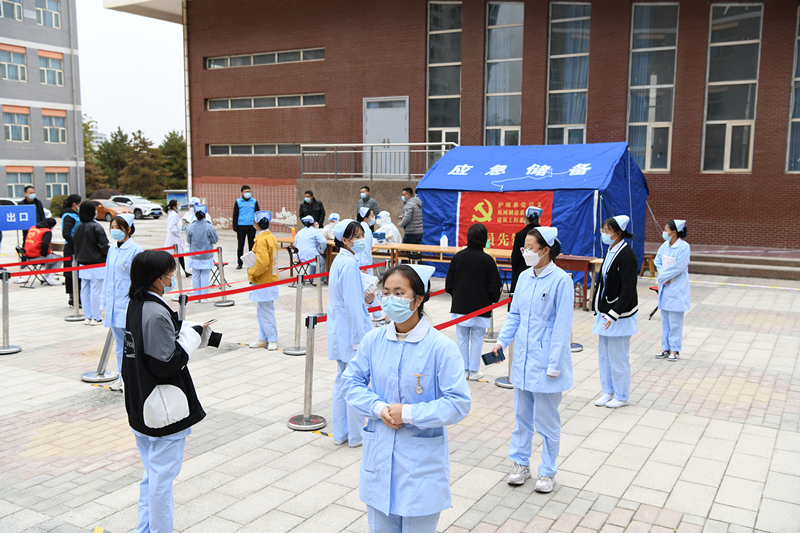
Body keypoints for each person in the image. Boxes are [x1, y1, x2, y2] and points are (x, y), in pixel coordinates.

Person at [342, 264, 471, 533]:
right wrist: (378, 408)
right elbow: (351, 383)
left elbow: (458, 403)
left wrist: (409, 413)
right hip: (379, 457)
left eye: (399, 293)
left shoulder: (441, 348)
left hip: (421, 466)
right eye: (386, 292)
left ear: (419, 299)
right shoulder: (373, 341)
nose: (390, 299)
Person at [122, 250, 217, 533]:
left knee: (152, 476)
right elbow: (168, 363)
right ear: (156, 278)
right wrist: (191, 337)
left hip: (140, 402)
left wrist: (189, 330)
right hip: (162, 409)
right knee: (162, 480)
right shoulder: (154, 312)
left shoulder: (137, 303)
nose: (172, 276)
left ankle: (145, 528)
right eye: (169, 272)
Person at [492, 226, 573, 493]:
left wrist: (555, 364)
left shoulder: (560, 280)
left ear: (545, 250)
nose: (524, 251)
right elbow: (515, 314)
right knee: (522, 417)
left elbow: (562, 325)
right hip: (523, 360)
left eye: (529, 247)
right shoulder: (524, 277)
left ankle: (547, 471)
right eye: (523, 247)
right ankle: (520, 464)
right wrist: (502, 341)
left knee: (547, 421)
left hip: (547, 361)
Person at [328, 219, 374, 447]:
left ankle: (341, 433)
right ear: (344, 241)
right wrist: (359, 338)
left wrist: (365, 298)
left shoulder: (342, 261)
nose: (361, 240)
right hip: (349, 332)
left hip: (341, 329)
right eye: (356, 237)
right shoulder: (348, 264)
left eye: (362, 235)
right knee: (355, 384)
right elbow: (353, 306)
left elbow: (352, 298)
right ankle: (356, 435)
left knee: (342, 383)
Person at [592, 215, 638, 409]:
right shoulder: (611, 250)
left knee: (618, 357)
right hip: (605, 312)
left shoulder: (627, 255)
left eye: (607, 231)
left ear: (618, 233)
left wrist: (614, 313)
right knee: (604, 356)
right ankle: (608, 391)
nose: (604, 233)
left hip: (619, 315)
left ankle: (622, 395)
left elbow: (628, 289)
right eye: (603, 230)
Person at [446, 223, 502, 381]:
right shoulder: (488, 260)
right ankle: (474, 370)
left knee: (462, 339)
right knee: (477, 339)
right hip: (481, 308)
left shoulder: (458, 257)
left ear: (468, 237)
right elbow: (495, 286)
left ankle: (463, 369)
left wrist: (458, 295)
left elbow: (449, 284)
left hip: (460, 307)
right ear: (485, 239)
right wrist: (491, 299)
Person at [103, 213, 143, 391]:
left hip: (128, 304)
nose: (114, 231)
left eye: (118, 228)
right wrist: (104, 304)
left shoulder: (136, 250)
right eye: (112, 228)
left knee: (131, 345)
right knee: (119, 346)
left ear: (128, 229)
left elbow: (139, 280)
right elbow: (107, 277)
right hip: (113, 305)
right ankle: (122, 377)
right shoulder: (112, 249)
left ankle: (133, 380)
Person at [655, 219, 690, 362]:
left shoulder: (684, 247)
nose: (664, 232)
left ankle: (675, 349)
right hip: (665, 287)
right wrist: (663, 276)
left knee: (675, 321)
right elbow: (657, 261)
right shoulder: (664, 245)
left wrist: (665, 276)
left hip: (677, 287)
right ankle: (665, 347)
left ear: (674, 232)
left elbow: (679, 266)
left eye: (666, 229)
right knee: (665, 320)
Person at [248, 211, 280, 350]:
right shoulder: (271, 237)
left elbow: (262, 262)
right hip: (270, 279)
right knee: (263, 311)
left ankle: (272, 338)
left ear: (256, 223)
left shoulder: (261, 240)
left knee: (266, 312)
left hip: (263, 281)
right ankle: (263, 337)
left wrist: (252, 272)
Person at [73, 201, 109, 326]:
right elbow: (103, 246)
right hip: (97, 263)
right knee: (96, 291)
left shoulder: (79, 227)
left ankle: (87, 316)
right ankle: (96, 317)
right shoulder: (96, 227)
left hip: (83, 262)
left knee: (85, 290)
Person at [186, 206, 219, 301]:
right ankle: (204, 297)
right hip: (206, 255)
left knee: (195, 275)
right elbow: (215, 240)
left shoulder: (191, 226)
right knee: (205, 275)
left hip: (194, 255)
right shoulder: (209, 226)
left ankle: (196, 296)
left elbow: (188, 240)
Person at [510, 206, 543, 295]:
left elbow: (516, 256)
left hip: (522, 271)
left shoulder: (520, 234)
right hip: (541, 272)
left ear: (526, 218)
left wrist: (515, 272)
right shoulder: (544, 234)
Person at [23, 218, 61, 286]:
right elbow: (45, 244)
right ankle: (50, 278)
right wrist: (45, 254)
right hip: (36, 256)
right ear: (52, 226)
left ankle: (46, 277)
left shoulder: (33, 228)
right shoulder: (47, 231)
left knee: (51, 258)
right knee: (60, 259)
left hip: (28, 255)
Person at [61, 194, 82, 307]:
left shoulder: (76, 215)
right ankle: (73, 297)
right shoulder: (69, 216)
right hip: (71, 248)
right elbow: (66, 234)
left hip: (77, 247)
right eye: (80, 203)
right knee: (71, 274)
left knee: (78, 274)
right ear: (75, 204)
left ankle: (79, 297)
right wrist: (76, 244)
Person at [233, 186, 260, 269]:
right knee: (240, 245)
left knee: (252, 246)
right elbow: (235, 214)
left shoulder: (254, 201)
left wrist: (258, 225)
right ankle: (240, 263)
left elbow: (257, 213)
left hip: (251, 226)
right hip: (241, 226)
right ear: (242, 193)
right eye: (246, 192)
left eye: (249, 191)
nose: (248, 193)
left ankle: (252, 263)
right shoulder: (238, 202)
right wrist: (235, 226)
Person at [294, 215, 327, 280]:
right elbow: (323, 241)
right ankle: (318, 279)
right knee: (322, 261)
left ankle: (310, 278)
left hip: (299, 257)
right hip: (311, 256)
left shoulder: (300, 232)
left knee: (314, 260)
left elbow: (295, 244)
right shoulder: (315, 231)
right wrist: (321, 251)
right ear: (313, 223)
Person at [165, 200, 191, 277]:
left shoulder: (173, 214)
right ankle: (171, 271)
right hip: (174, 238)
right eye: (178, 205)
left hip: (174, 238)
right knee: (177, 255)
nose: (179, 206)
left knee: (179, 255)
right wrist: (179, 230)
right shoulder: (174, 215)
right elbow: (172, 227)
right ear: (174, 207)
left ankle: (185, 271)